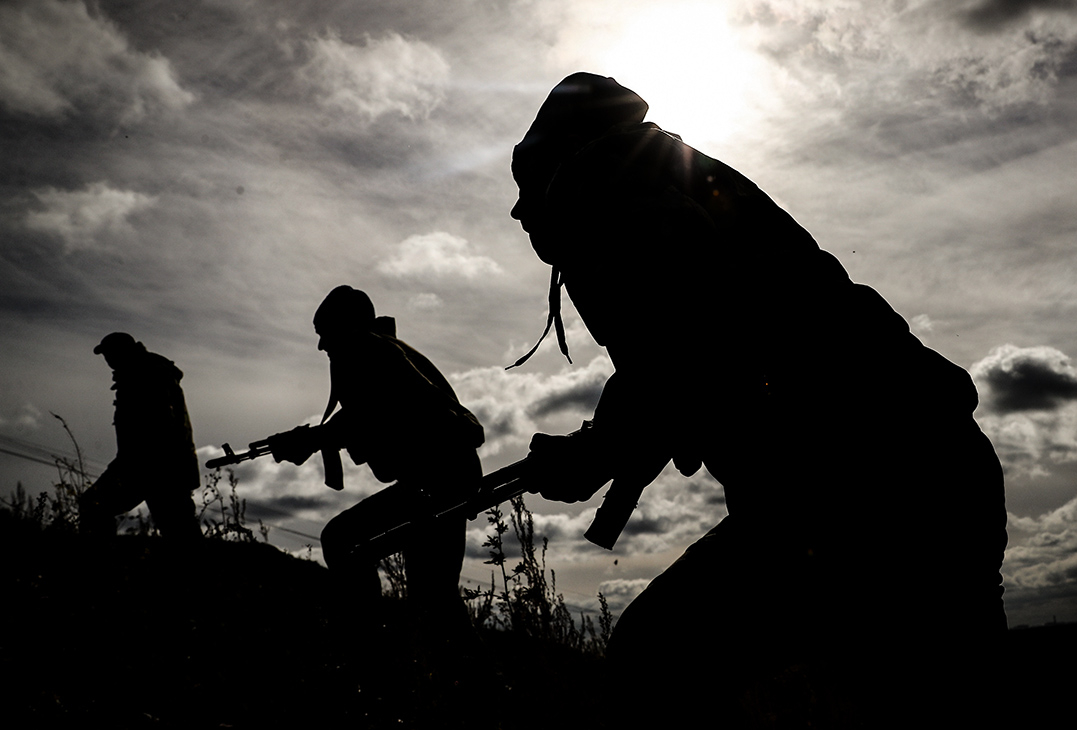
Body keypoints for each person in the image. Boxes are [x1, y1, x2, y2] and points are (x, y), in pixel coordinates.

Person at [509, 73, 1008, 725]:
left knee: (656, 658)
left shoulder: (604, 180)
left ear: (557, 155)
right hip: (934, 466)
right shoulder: (663, 172)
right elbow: (712, 348)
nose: (520, 212)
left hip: (848, 490)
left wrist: (599, 448)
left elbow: (683, 332)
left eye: (524, 186)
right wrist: (619, 441)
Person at [269, 285, 484, 642]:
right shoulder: (381, 350)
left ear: (346, 327)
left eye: (324, 335)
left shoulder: (366, 350)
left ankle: (367, 640)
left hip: (437, 481)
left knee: (342, 541)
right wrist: (312, 438)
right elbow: (376, 412)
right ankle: (444, 671)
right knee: (433, 598)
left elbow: (371, 415)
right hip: (442, 477)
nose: (322, 346)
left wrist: (314, 440)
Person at [80, 332, 201, 541]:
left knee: (94, 505)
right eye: (105, 355)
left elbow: (160, 423)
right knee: (180, 532)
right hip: (155, 466)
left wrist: (143, 463)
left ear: (123, 351)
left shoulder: (146, 374)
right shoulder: (143, 372)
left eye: (110, 353)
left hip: (154, 466)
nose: (107, 360)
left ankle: (99, 568)